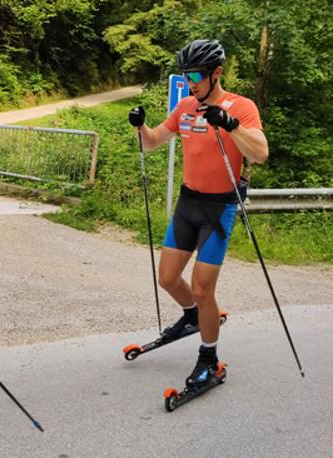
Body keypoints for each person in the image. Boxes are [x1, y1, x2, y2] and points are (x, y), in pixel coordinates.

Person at [127, 39, 269, 387]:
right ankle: (194, 317)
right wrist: (140, 127)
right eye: (185, 75)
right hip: (188, 204)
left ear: (215, 73)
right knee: (168, 279)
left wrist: (231, 125)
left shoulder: (242, 106)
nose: (190, 82)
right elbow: (153, 141)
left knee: (204, 289)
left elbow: (261, 152)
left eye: (195, 75)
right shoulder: (187, 106)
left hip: (219, 209)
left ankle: (210, 359)